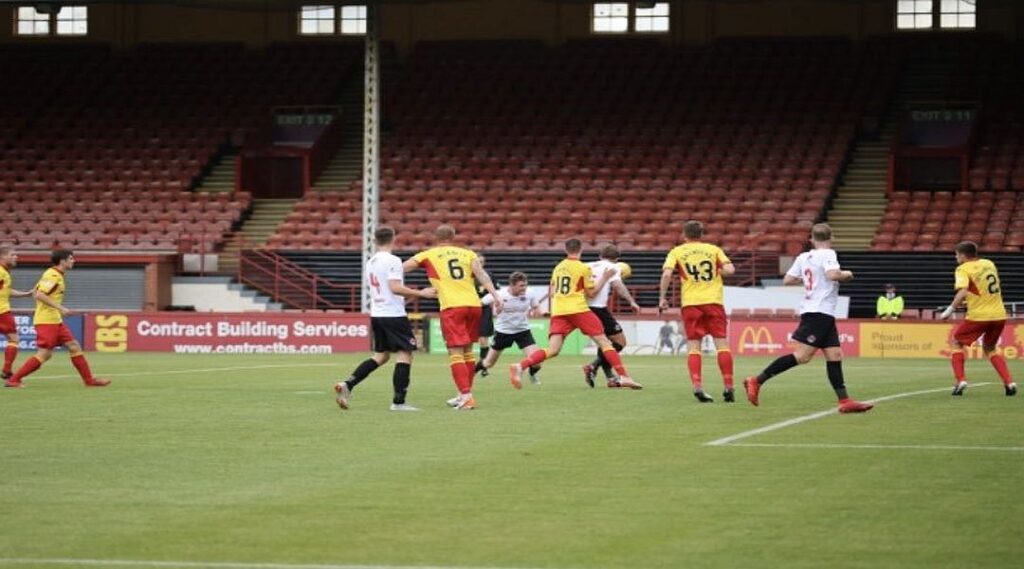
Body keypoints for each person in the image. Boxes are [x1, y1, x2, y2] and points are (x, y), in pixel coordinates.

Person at [742, 224, 873, 413]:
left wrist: (809, 277)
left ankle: (844, 401)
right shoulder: (828, 254)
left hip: (821, 312)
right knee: (802, 356)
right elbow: (833, 274)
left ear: (811, 239)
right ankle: (756, 380)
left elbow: (788, 280)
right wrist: (848, 274)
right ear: (832, 237)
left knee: (835, 354)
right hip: (818, 311)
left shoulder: (804, 257)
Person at [509, 238, 641, 390]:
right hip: (578, 309)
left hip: (559, 311)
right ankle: (624, 377)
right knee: (604, 342)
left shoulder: (558, 267)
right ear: (581, 250)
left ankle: (520, 366)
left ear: (566, 250)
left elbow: (552, 291)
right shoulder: (582, 268)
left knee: (553, 350)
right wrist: (605, 278)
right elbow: (592, 293)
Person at [334, 227, 437, 411]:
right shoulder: (393, 260)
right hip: (393, 314)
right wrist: (421, 293)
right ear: (393, 239)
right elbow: (394, 288)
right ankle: (399, 402)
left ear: (374, 241)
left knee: (381, 356)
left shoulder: (371, 261)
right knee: (405, 354)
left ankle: (348, 384)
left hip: (378, 313)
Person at [404, 224, 502, 410]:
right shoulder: (468, 254)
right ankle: (463, 394)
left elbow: (401, 268)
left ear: (435, 238)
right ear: (453, 237)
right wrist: (496, 296)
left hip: (452, 306)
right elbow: (482, 275)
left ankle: (466, 396)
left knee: (455, 352)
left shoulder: (428, 254)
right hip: (474, 305)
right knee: (468, 352)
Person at [4, 249, 110, 389]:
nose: (73, 261)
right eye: (71, 258)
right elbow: (40, 294)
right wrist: (61, 308)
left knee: (74, 346)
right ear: (62, 261)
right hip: (46, 321)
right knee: (44, 354)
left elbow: (36, 292)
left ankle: (89, 381)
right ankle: (14, 380)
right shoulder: (53, 275)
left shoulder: (55, 274)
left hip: (55, 320)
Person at [658, 220, 737, 403]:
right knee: (722, 345)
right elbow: (730, 270)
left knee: (694, 346)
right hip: (713, 302)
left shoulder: (677, 252)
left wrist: (662, 298)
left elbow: (667, 274)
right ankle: (728, 386)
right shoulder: (713, 250)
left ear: (684, 235)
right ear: (701, 234)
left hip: (691, 303)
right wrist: (717, 270)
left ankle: (698, 386)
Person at [939, 241, 1016, 396]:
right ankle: (1009, 383)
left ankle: (960, 380)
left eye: (956, 255)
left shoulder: (963, 269)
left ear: (962, 255)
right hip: (999, 315)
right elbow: (983, 289)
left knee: (957, 343)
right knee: (990, 348)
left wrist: (950, 309)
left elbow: (963, 291)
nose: (956, 258)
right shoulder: (989, 263)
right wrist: (970, 301)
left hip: (979, 316)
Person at [582, 245, 641, 388]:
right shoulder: (612, 267)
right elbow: (618, 286)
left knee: (605, 342)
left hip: (582, 308)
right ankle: (593, 366)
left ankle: (610, 377)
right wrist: (631, 301)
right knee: (620, 342)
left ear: (600, 255)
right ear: (617, 258)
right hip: (598, 309)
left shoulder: (586, 265)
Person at [473, 271, 544, 385]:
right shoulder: (499, 294)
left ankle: (532, 374)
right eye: (521, 286)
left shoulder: (530, 293)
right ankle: (471, 373)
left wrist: (537, 311)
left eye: (525, 285)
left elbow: (536, 306)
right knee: (488, 363)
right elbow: (478, 304)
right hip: (503, 333)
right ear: (512, 285)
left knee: (537, 362)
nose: (524, 288)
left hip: (523, 331)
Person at [0, 246, 33, 381]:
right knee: (13, 339)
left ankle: (7, 370)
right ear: (3, 256)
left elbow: (7, 291)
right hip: (2, 311)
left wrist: (26, 294)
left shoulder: (5, 272)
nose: (16, 257)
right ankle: (7, 370)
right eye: (12, 255)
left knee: (13, 339)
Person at [475, 254, 494, 376]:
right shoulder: (467, 275)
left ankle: (484, 366)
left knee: (483, 339)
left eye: (482, 262)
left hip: (484, 309)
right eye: (478, 262)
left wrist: (484, 301)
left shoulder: (489, 275)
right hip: (468, 308)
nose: (480, 264)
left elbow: (495, 291)